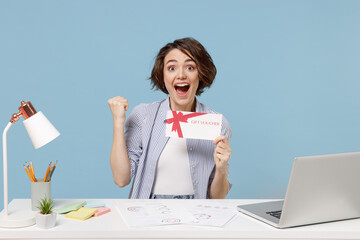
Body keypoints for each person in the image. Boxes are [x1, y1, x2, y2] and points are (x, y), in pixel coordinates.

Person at [108, 38, 232, 199]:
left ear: (201, 73)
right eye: (172, 68)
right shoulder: (143, 115)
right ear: (163, 75)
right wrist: (118, 122)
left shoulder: (218, 124)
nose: (181, 75)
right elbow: (121, 179)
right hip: (148, 210)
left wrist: (221, 169)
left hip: (196, 211)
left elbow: (217, 198)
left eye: (190, 67)